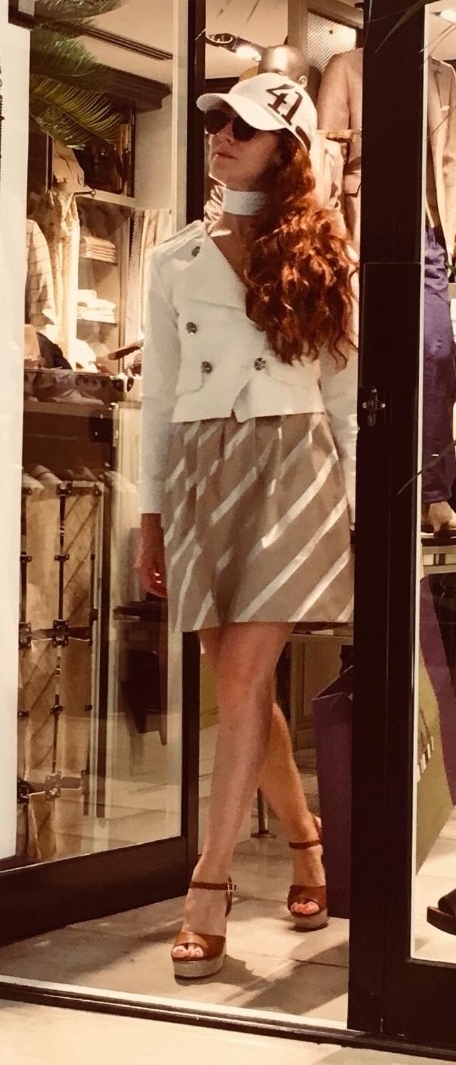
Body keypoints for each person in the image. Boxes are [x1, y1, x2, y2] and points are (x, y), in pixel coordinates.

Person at [136, 71, 358, 979]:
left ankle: (209, 884)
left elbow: (345, 398)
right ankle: (305, 841)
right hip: (200, 469)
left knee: (240, 674)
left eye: (245, 127)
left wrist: (357, 517)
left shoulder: (324, 253)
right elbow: (158, 399)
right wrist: (149, 516)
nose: (221, 135)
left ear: (286, 150)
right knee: (236, 680)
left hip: (292, 467)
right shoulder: (174, 260)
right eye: (218, 122)